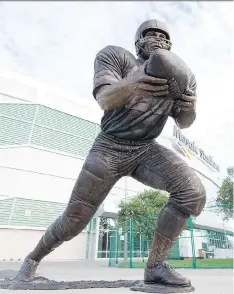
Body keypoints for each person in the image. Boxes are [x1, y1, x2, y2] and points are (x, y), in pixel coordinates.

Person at [15, 19, 206, 288]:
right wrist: (134, 82)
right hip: (110, 146)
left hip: (146, 149)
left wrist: (189, 105)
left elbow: (184, 122)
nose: (158, 40)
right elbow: (105, 99)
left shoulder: (180, 73)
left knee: (192, 192)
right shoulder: (115, 56)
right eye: (151, 34)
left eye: (164, 38)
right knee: (75, 219)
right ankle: (31, 261)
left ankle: (155, 267)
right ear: (138, 40)